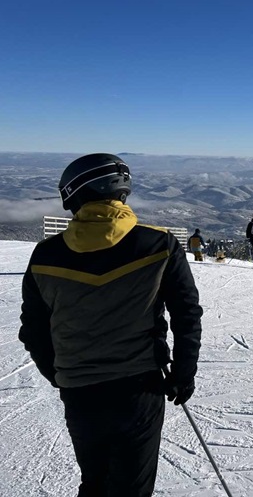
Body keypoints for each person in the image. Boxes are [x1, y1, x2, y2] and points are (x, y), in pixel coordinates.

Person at [18, 153, 203, 496]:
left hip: (80, 390)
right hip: (139, 386)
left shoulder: (45, 255)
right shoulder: (158, 244)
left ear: (74, 195)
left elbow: (33, 330)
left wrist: (61, 375)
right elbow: (186, 312)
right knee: (131, 487)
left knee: (95, 481)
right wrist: (183, 371)